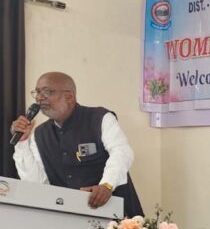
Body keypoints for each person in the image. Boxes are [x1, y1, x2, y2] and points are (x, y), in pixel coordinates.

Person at [9, 72, 143, 215]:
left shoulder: (100, 118)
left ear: (69, 96)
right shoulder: (40, 134)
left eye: (47, 92)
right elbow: (36, 182)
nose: (39, 98)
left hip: (116, 215)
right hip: (70, 217)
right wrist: (22, 143)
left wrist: (107, 185)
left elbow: (121, 152)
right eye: (37, 92)